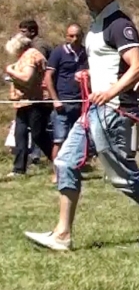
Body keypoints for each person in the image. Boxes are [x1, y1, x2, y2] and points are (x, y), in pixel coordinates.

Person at [24, 0, 139, 251]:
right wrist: (87, 76)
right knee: (65, 162)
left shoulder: (119, 24)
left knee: (122, 176)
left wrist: (109, 91)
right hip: (93, 110)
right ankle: (62, 234)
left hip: (113, 110)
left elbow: (136, 67)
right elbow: (106, 63)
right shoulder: (97, 24)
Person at [4, 33, 54, 178]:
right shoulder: (24, 57)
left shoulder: (31, 55)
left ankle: (60, 160)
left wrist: (10, 70)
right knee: (20, 134)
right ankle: (19, 168)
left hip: (36, 101)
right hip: (23, 102)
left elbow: (27, 78)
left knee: (39, 135)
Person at [44, 23, 89, 184]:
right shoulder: (58, 52)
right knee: (59, 139)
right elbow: (48, 76)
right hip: (63, 103)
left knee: (77, 139)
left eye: (78, 35)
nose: (75, 39)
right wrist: (55, 99)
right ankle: (57, 173)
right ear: (66, 36)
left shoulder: (85, 53)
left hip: (81, 102)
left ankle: (74, 170)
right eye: (71, 35)